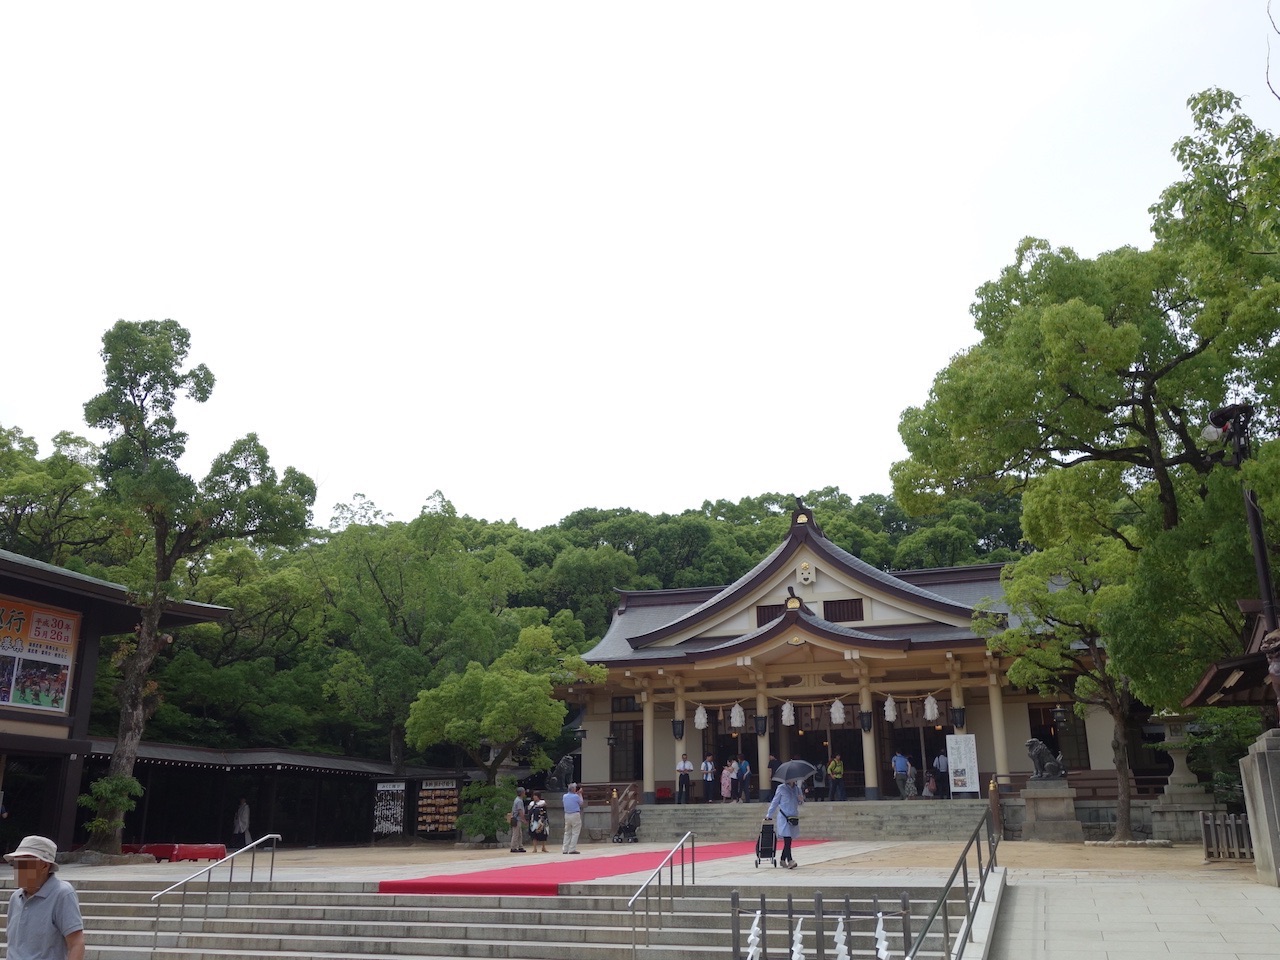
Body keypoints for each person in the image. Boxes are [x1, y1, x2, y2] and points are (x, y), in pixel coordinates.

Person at [5, 834, 85, 960]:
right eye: (15, 863)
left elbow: (76, 943)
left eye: (24, 863)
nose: (18, 869)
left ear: (44, 866)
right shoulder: (16, 897)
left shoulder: (62, 893)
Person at [764, 779, 804, 869]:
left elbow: (800, 803)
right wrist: (769, 814)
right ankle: (790, 860)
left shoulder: (797, 789)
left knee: (789, 839)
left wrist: (801, 800)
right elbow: (775, 801)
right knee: (787, 839)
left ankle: (782, 859)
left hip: (793, 817)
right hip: (784, 816)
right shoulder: (781, 788)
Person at [561, 782, 586, 854]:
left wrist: (577, 793)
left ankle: (565, 849)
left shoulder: (564, 796)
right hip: (575, 814)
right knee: (575, 832)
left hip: (567, 814)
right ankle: (572, 849)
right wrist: (580, 794)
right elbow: (581, 803)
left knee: (567, 832)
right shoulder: (576, 796)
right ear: (574, 789)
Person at [509, 786, 527, 852]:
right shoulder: (519, 801)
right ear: (522, 793)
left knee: (519, 833)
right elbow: (520, 811)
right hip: (517, 819)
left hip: (516, 818)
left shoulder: (517, 799)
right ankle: (513, 847)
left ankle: (520, 846)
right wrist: (524, 820)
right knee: (516, 833)